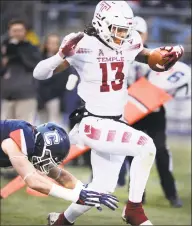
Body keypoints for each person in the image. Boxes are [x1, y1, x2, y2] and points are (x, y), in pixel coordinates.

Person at [33, 1, 184, 225]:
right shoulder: (82, 44)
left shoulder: (129, 40)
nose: (123, 35)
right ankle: (134, 209)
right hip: (91, 121)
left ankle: (62, 221)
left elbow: (144, 56)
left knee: (102, 187)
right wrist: (60, 55)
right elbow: (39, 73)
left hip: (116, 121)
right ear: (101, 24)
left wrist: (162, 56)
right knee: (145, 145)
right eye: (119, 29)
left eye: (126, 29)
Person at [118, 16, 184, 208]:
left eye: (139, 33)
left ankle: (171, 194)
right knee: (132, 154)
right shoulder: (120, 55)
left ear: (145, 34)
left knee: (161, 153)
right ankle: (137, 197)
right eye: (133, 33)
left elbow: (177, 77)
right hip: (131, 111)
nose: (136, 36)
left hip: (154, 112)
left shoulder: (159, 54)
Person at [0, 119, 118, 211]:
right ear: (44, 147)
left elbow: (61, 176)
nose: (49, 164)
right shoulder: (17, 139)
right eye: (49, 158)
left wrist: (89, 192)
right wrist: (75, 197)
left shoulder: (34, 144)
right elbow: (33, 181)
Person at [0, 19, 42, 123]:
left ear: (25, 32)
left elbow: (35, 66)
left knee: (24, 129)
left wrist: (17, 51)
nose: (17, 33)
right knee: (5, 131)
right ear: (9, 32)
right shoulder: (4, 48)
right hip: (7, 95)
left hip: (26, 95)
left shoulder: (32, 48)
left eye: (20, 30)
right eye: (14, 30)